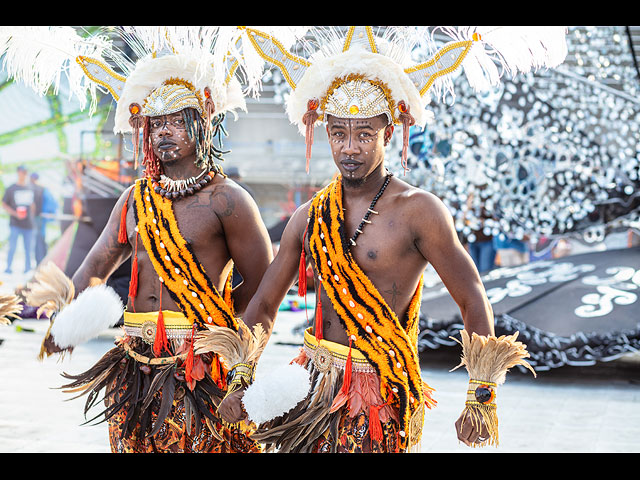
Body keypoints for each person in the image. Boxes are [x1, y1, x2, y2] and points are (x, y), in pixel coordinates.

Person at [202, 26, 550, 453]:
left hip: (380, 393)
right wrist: (241, 375)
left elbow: (472, 297)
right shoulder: (309, 216)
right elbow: (265, 304)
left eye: (364, 134)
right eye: (339, 133)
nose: (350, 148)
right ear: (323, 131)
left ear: (388, 133)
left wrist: (482, 397)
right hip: (311, 387)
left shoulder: (419, 211)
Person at [17, 27, 274, 453]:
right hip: (133, 364)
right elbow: (95, 267)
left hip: (200, 365)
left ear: (202, 123)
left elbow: (263, 293)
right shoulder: (134, 199)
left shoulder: (229, 201)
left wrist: (239, 363)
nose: (164, 133)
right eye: (157, 124)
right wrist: (63, 321)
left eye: (177, 122)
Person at [2, 165, 36, 274]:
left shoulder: (30, 187)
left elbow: (32, 204)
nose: (24, 174)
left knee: (28, 249)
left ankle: (27, 268)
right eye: (22, 172)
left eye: (25, 172)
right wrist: (15, 214)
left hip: (28, 224)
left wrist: (33, 212)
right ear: (18, 172)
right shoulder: (11, 188)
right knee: (12, 247)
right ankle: (8, 267)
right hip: (15, 223)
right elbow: (4, 204)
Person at [29, 172, 57, 266]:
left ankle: (41, 261)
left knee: (39, 240)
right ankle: (41, 261)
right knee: (39, 240)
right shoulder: (41, 188)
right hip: (39, 217)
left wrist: (49, 213)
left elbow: (52, 203)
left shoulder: (40, 189)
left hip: (39, 217)